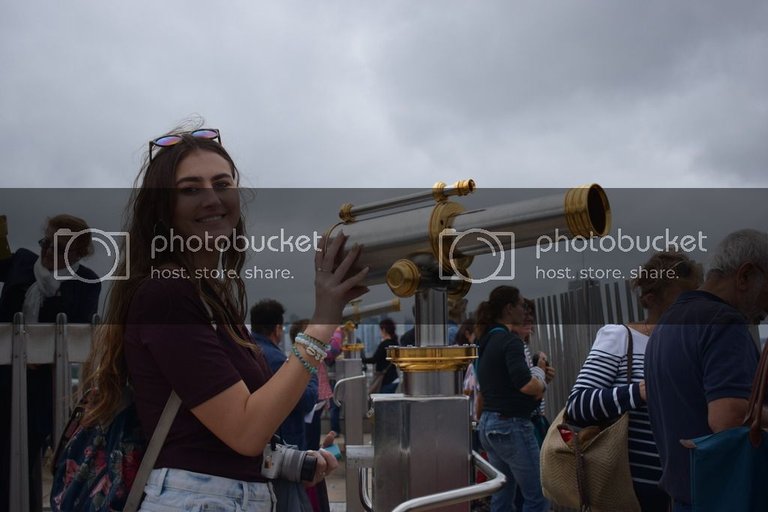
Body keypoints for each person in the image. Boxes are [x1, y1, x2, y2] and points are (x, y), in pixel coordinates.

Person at [78, 126, 369, 511]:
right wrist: (322, 323)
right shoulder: (167, 294)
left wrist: (287, 462)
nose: (212, 198)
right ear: (162, 209)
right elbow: (246, 430)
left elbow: (211, 436)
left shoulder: (209, 296)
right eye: (190, 189)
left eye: (221, 183)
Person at [566, 251, 702, 511]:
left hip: (683, 491)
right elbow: (577, 406)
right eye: (680, 299)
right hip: (629, 491)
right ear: (651, 299)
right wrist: (639, 392)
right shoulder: (620, 337)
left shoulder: (693, 343)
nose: (690, 307)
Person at [645, 230, 768, 511]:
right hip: (726, 496)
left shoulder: (667, 324)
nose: (767, 308)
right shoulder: (725, 322)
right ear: (745, 276)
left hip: (685, 497)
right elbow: (729, 415)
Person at [0, 214, 101, 512]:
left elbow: (79, 330)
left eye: (58, 247)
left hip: (47, 387)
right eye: (46, 242)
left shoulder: (86, 284)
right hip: (4, 377)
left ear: (79, 253)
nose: (47, 252)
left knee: (31, 455)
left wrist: (38, 351)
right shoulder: (21, 262)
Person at [475, 285, 549, 512]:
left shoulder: (486, 340)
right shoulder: (510, 341)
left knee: (503, 496)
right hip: (512, 425)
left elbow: (491, 385)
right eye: (521, 305)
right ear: (509, 309)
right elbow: (526, 384)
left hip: (490, 423)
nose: (524, 310)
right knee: (538, 495)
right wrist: (541, 374)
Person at [250, 300, 318, 450]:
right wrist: (309, 368)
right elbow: (306, 401)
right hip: (283, 441)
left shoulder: (247, 350)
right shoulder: (276, 359)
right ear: (277, 329)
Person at [363, 317, 400, 393]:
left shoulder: (384, 344)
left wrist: (361, 359)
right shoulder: (395, 343)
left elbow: (374, 360)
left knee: (383, 403)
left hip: (387, 380)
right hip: (394, 378)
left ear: (384, 330)